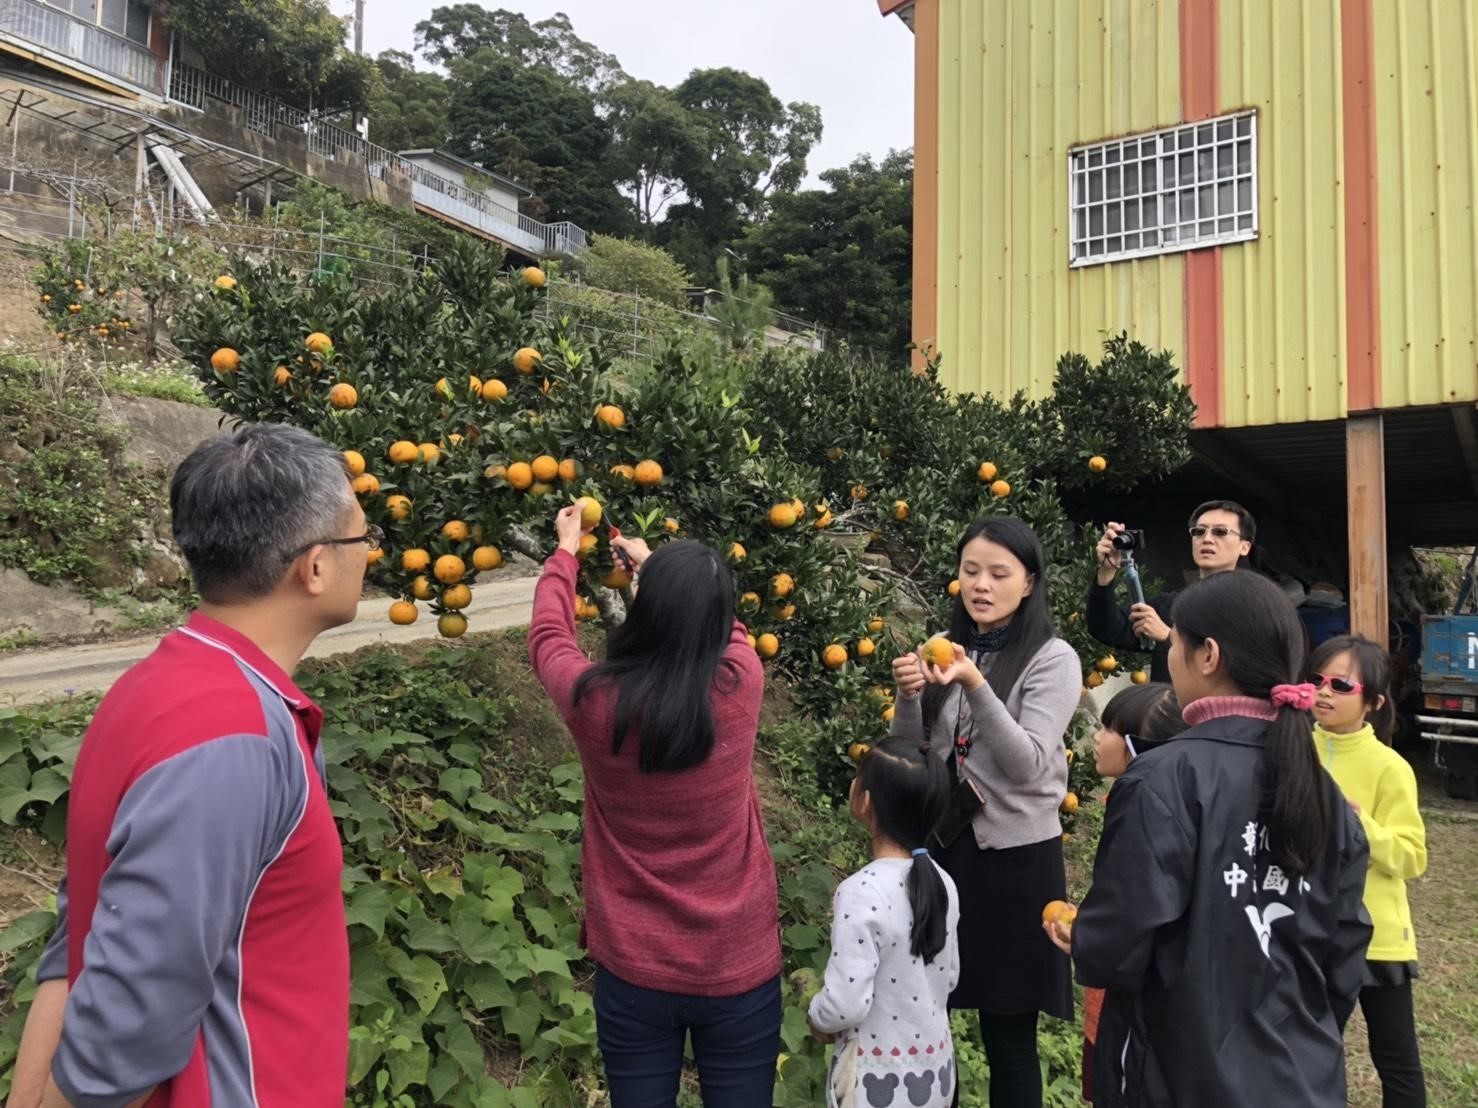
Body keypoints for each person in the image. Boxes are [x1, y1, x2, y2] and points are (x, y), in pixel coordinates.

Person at [7, 424, 369, 1108]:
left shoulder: (158, 686)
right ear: (315, 566)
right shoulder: (230, 739)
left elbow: (82, 925)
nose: (370, 555)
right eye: (361, 538)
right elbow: (127, 1023)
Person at [1065, 570, 1372, 1107]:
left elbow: (1114, 952)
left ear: (1208, 655)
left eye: (1177, 640)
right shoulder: (1326, 794)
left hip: (1174, 1079)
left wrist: (1085, 937)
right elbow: (1343, 959)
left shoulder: (1163, 778)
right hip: (1301, 1081)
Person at [527, 506, 781, 1107]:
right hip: (737, 962)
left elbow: (548, 638)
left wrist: (565, 553)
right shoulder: (741, 681)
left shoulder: (595, 703)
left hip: (634, 964)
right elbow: (731, 631)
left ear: (646, 610)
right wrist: (662, 571)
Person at [889, 517, 1081, 1108]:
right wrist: (910, 697)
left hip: (1017, 863)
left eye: (999, 573)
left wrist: (974, 682)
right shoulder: (950, 650)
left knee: (1008, 1033)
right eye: (970, 571)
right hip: (944, 854)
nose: (981, 585)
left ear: (1028, 583)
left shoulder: (1054, 659)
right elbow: (913, 753)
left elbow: (1025, 763)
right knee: (930, 1019)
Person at [808, 738, 962, 1108]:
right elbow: (951, 975)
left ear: (866, 800)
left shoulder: (861, 892)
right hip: (935, 1073)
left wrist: (817, 1016)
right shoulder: (944, 882)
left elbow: (846, 1003)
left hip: (875, 1083)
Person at [1309, 634, 1428, 1107]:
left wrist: (1361, 826)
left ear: (1374, 703)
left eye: (1340, 684)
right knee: (1312, 1049)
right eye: (1316, 680)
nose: (1323, 692)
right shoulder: (1293, 750)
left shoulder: (1390, 768)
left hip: (1378, 938)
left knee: (1395, 1057)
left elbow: (1412, 855)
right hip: (1310, 931)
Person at [1075, 683, 1181, 1104]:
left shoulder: (1142, 804)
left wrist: (1088, 937)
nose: (1097, 737)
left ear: (1137, 746)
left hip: (1130, 1006)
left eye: (1109, 729)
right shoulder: (1137, 795)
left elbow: (1131, 912)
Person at [1087, 500, 1256, 683]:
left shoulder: (1255, 608)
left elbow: (1245, 669)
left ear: (1245, 547)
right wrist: (1106, 571)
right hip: (1166, 710)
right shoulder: (1170, 605)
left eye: (1220, 532)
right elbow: (1106, 628)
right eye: (1199, 531)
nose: (1207, 538)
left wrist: (1168, 637)